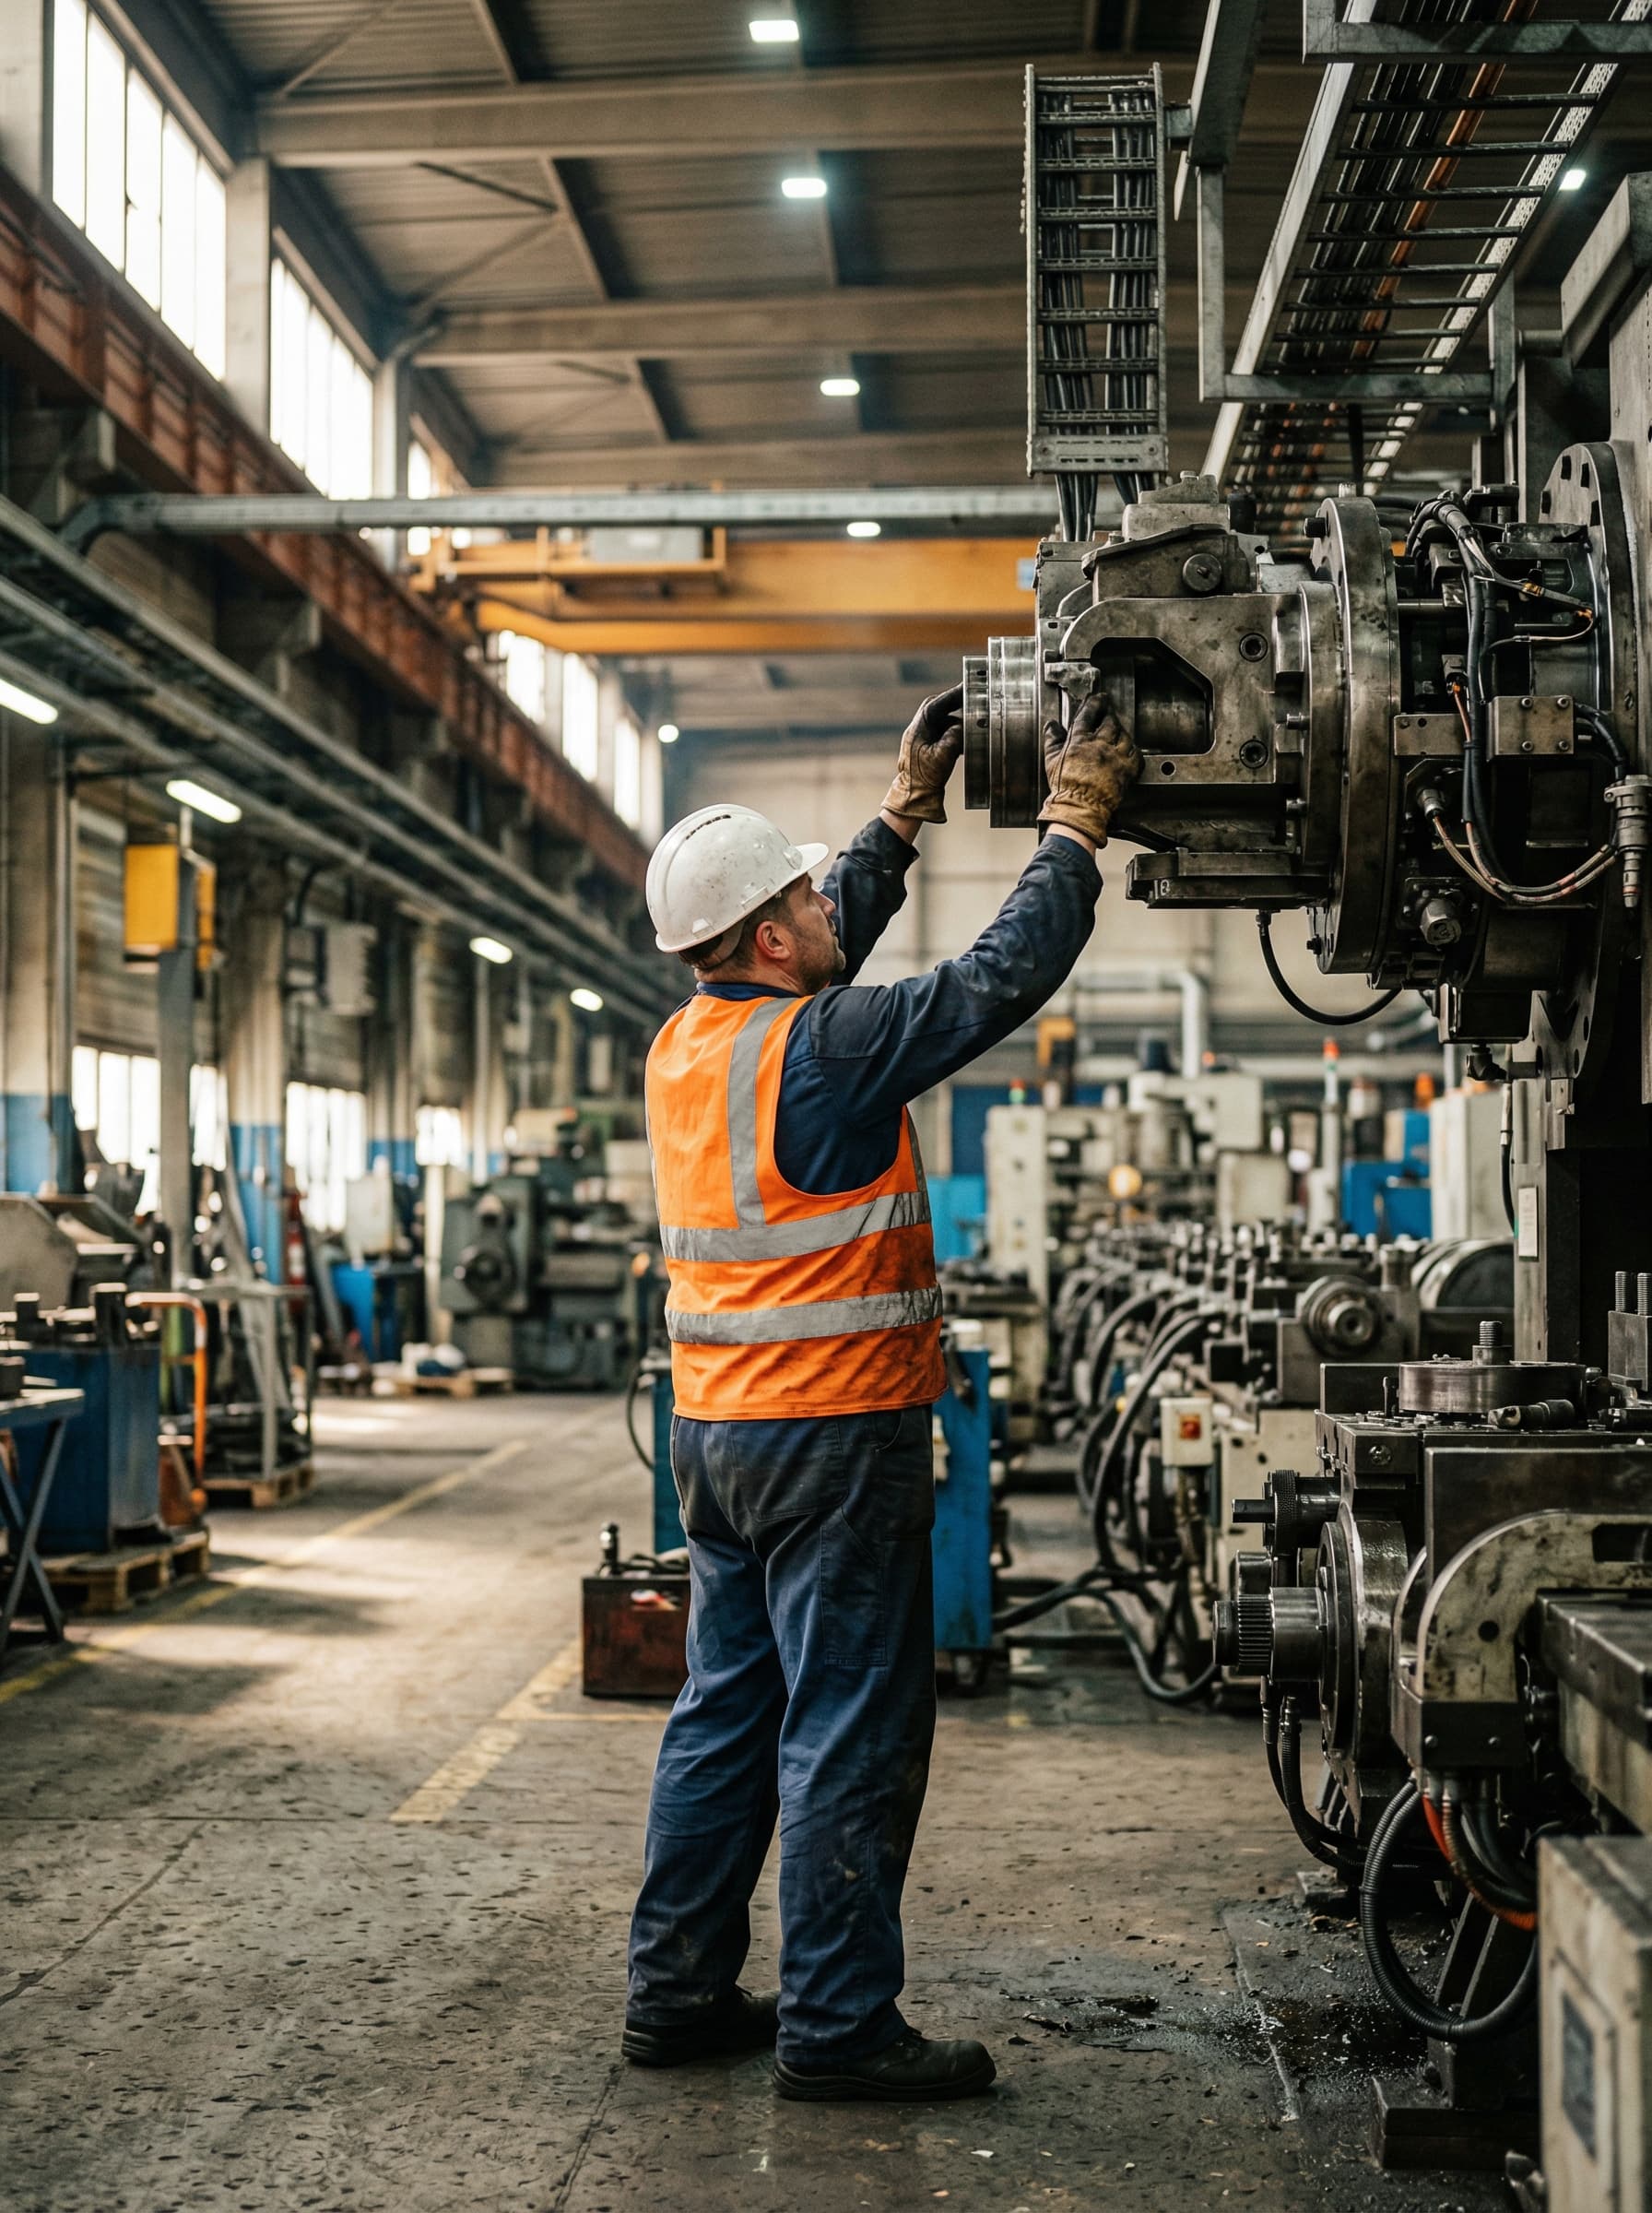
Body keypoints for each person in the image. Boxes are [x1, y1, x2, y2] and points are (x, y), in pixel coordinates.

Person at [622, 685, 1140, 2101]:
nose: (823, 906)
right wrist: (1074, 822)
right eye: (802, 896)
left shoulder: (690, 1047)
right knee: (849, 1725)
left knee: (726, 1713)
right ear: (767, 937)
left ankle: (676, 1992)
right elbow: (998, 978)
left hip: (716, 1442)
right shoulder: (830, 1047)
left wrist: (902, 814)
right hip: (835, 1439)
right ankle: (840, 2027)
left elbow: (822, 929)